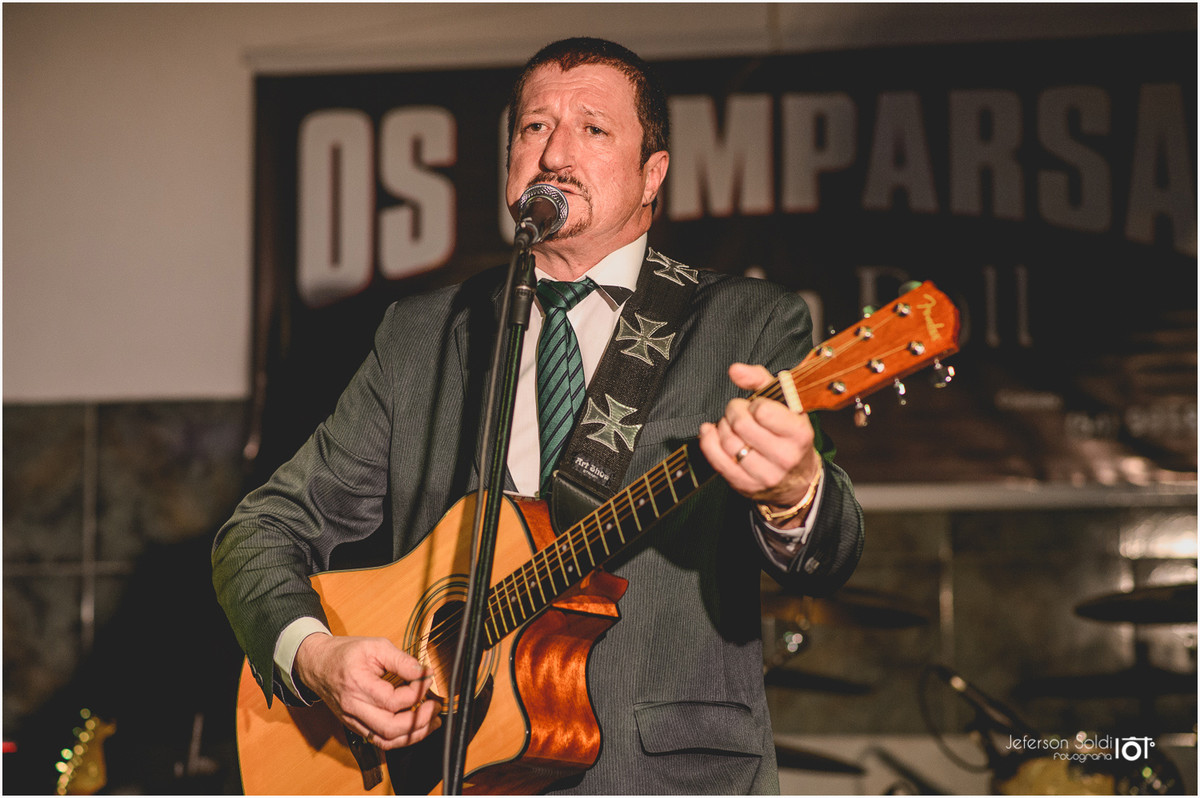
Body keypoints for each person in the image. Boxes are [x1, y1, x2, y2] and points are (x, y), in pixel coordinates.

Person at [213, 36, 864, 794]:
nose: (555, 153)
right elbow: (258, 532)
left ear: (652, 173)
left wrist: (795, 495)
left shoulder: (744, 322)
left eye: (593, 128)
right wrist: (317, 658)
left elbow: (831, 554)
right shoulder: (423, 335)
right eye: (533, 127)